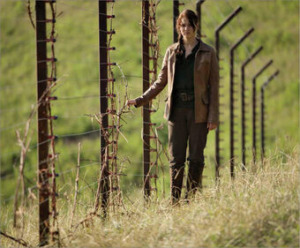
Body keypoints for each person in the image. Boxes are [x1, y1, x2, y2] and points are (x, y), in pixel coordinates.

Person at [127, 9, 219, 204]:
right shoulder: (171, 52)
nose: (185, 28)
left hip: (199, 112)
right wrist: (140, 99)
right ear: (179, 27)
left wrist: (213, 117)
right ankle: (175, 202)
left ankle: (191, 199)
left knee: (195, 158)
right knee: (176, 158)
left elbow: (214, 88)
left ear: (196, 26)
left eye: (189, 25)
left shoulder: (208, 52)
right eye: (182, 25)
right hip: (176, 111)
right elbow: (160, 81)